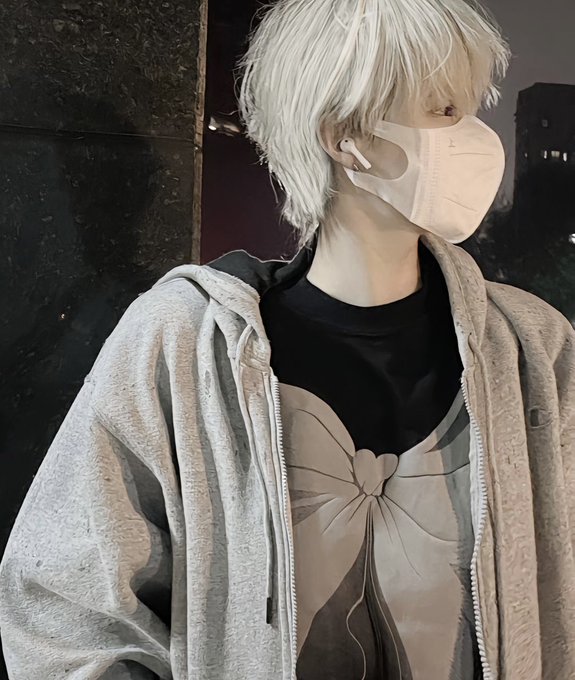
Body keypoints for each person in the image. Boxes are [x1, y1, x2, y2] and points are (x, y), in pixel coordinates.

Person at [0, 0, 574, 678]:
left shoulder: (532, 347)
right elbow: (65, 602)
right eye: (445, 110)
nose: (476, 137)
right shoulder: (188, 343)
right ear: (345, 135)